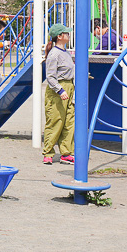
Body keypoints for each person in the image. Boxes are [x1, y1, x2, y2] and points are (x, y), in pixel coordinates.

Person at [43, 23, 75, 165]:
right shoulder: (54, 54)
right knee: (55, 120)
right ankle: (48, 152)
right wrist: (60, 90)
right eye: (66, 33)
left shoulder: (65, 52)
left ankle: (66, 153)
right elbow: (50, 76)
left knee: (69, 122)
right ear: (60, 36)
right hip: (58, 89)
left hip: (69, 86)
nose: (68, 35)